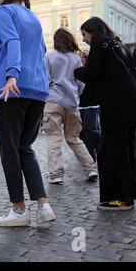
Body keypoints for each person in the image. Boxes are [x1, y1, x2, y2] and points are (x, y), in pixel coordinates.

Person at [0, 0, 56, 227]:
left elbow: (12, 42)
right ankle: (43, 204)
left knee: (9, 150)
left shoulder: (4, 11)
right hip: (37, 89)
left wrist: (11, 75)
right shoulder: (34, 17)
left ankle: (19, 211)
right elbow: (41, 53)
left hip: (14, 88)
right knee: (24, 148)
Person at [80, 17, 136, 211]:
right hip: (131, 106)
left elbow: (92, 74)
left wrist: (74, 72)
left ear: (93, 31)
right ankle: (128, 196)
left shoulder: (101, 43)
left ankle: (118, 199)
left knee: (113, 153)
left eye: (84, 35)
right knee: (128, 152)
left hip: (118, 109)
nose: (84, 39)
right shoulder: (118, 44)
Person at [43, 28, 98, 184]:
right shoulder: (75, 58)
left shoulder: (48, 57)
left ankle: (56, 175)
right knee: (74, 138)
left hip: (53, 100)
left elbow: (44, 79)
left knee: (53, 138)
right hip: (72, 102)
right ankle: (90, 169)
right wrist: (75, 94)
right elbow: (81, 82)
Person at [77, 50, 101, 162]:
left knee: (90, 128)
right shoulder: (75, 70)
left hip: (92, 103)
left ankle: (103, 149)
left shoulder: (90, 70)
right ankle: (90, 157)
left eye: (82, 56)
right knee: (81, 132)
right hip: (78, 104)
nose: (80, 58)